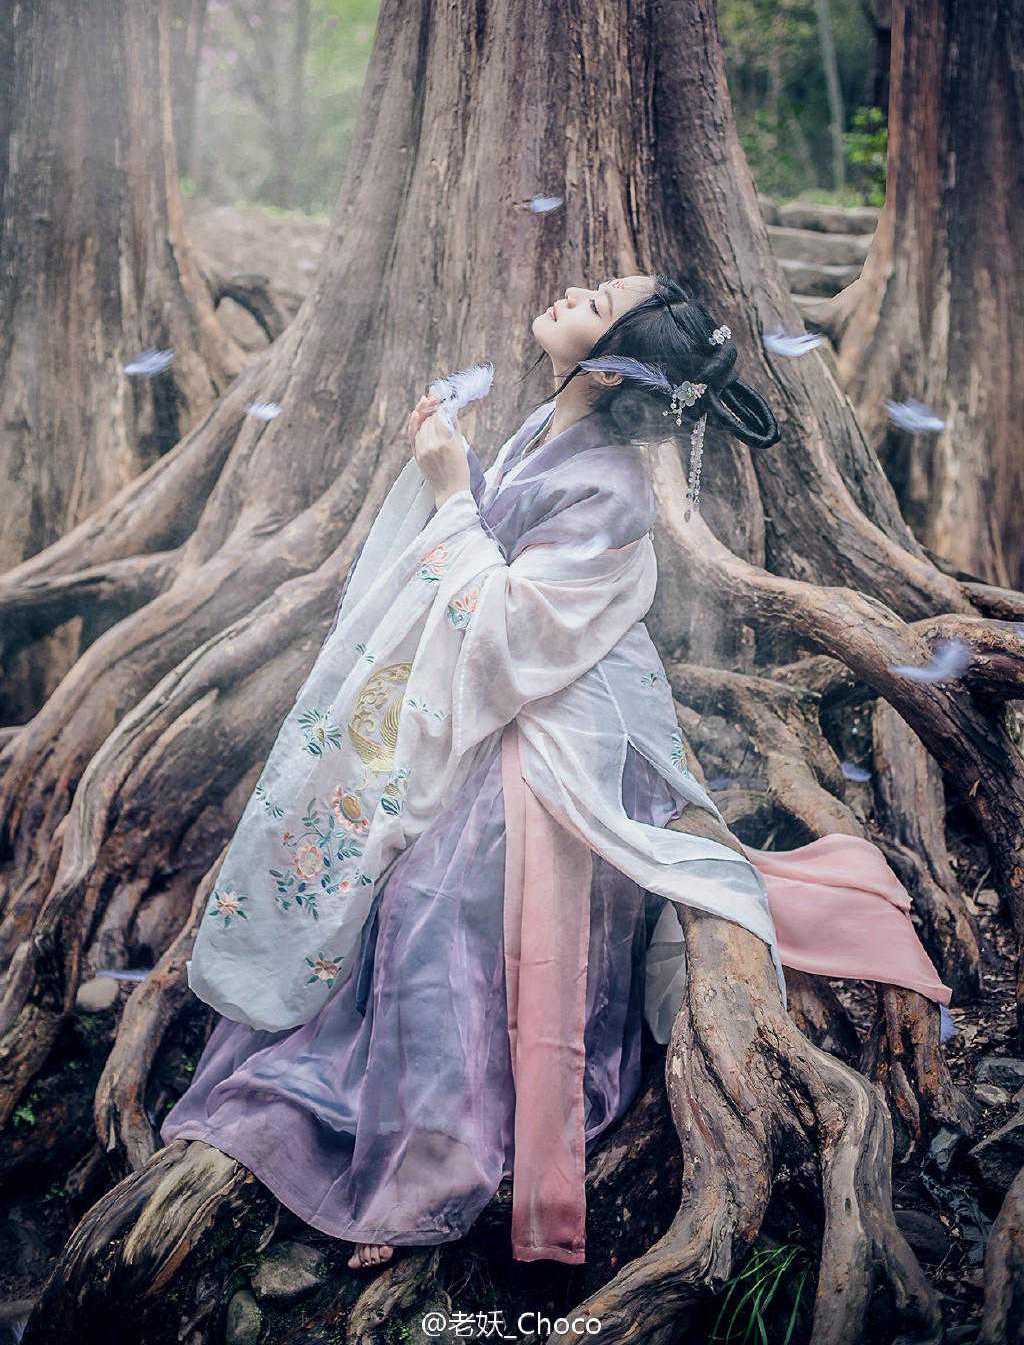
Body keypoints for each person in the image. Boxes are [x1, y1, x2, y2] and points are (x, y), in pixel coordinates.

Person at [163, 274, 951, 1272]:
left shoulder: (612, 491)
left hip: (564, 724)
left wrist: (451, 493)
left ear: (610, 365)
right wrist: (455, 475)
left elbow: (506, 629)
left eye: (600, 299)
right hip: (511, 694)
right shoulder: (545, 425)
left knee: (441, 896)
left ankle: (431, 1155)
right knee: (381, 858)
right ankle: (355, 1082)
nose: (578, 286)